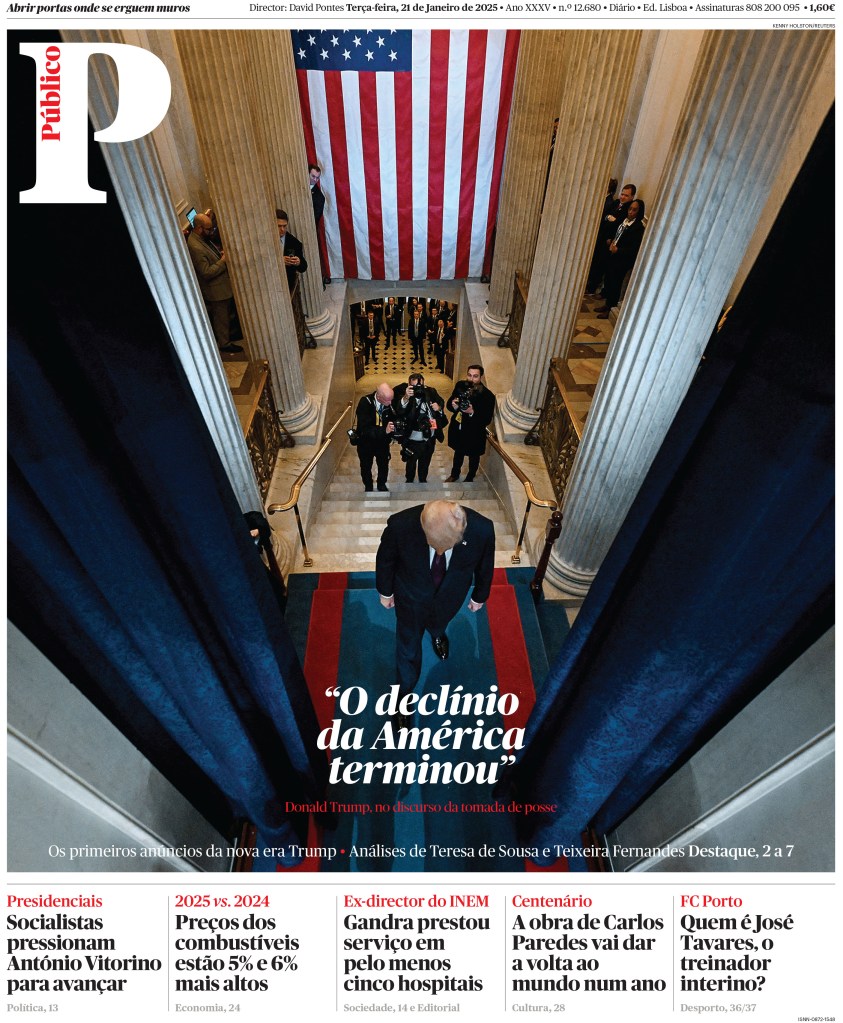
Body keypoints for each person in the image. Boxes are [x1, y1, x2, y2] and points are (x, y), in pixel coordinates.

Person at [376, 500, 495, 708]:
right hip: (410, 599)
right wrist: (385, 591)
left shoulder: (482, 529)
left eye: (446, 547)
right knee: (407, 648)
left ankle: (437, 632)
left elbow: (485, 565)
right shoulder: (400, 525)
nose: (439, 553)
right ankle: (403, 696)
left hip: (449, 598)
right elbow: (386, 559)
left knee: (439, 623)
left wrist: (479, 596)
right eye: (433, 546)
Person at [187, 213, 243, 354]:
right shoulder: (195, 247)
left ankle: (229, 335)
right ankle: (224, 344)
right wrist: (223, 261)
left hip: (222, 286)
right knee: (221, 319)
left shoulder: (202, 239)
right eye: (208, 229)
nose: (211, 232)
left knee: (226, 317)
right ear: (199, 228)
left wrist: (219, 255)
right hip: (215, 291)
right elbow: (206, 272)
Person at [392, 373, 447, 484]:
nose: (418, 389)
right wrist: (406, 397)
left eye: (420, 386)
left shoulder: (431, 391)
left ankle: (423, 479)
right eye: (414, 386)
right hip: (412, 439)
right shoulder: (403, 392)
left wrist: (439, 407)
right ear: (409, 385)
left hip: (429, 437)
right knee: (411, 462)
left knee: (425, 462)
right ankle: (409, 479)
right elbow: (399, 410)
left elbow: (441, 402)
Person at [445, 365, 496, 483]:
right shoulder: (460, 386)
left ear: (481, 377)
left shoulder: (488, 396)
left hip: (475, 432)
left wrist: (472, 412)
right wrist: (454, 406)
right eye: (469, 375)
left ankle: (470, 477)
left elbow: (487, 419)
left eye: (475, 376)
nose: (472, 379)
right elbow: (449, 404)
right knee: (458, 453)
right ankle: (454, 474)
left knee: (474, 456)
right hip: (459, 428)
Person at [596, 198, 646, 318]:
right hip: (613, 255)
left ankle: (610, 307)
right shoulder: (624, 221)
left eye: (634, 210)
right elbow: (618, 234)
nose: (630, 212)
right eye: (630, 209)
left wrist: (618, 250)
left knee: (615, 284)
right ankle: (607, 304)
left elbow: (634, 249)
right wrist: (612, 240)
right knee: (608, 279)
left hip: (622, 260)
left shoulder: (638, 227)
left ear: (639, 212)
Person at [586, 182, 636, 295]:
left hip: (611, 241)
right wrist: (608, 218)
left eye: (626, 195)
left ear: (632, 197)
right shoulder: (616, 203)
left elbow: (617, 224)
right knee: (595, 260)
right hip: (602, 236)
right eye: (622, 194)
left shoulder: (628, 209)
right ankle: (589, 283)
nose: (622, 197)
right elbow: (604, 215)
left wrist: (611, 222)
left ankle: (593, 288)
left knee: (601, 264)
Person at [353, 382, 395, 492]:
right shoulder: (365, 403)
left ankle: (381, 484)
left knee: (383, 465)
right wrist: (384, 430)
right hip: (366, 443)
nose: (390, 403)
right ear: (379, 396)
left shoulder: (389, 402)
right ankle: (368, 485)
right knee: (366, 466)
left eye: (391, 399)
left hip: (382, 443)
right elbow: (364, 429)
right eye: (387, 400)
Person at [275, 208, 308, 292]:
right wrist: (279, 261)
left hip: (287, 284)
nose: (282, 229)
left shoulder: (294, 243)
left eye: (284, 226)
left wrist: (298, 262)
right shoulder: (265, 241)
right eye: (279, 226)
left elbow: (303, 267)